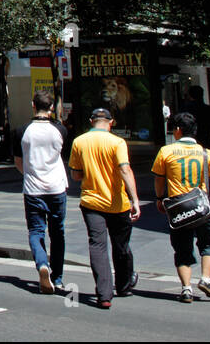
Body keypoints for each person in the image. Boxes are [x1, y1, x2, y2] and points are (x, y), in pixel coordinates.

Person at [69, 107, 142, 309]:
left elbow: (75, 175)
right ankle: (124, 285)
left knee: (98, 246)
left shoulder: (79, 142)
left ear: (91, 121)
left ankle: (104, 294)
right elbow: (125, 170)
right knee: (121, 246)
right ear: (111, 122)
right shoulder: (117, 142)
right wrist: (135, 199)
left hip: (91, 202)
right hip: (117, 203)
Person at [152, 111, 210, 303]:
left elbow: (159, 179)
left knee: (182, 250)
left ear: (177, 130)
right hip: (202, 207)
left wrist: (160, 199)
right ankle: (206, 279)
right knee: (208, 244)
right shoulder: (205, 152)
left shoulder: (166, 152)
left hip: (178, 208)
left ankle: (186, 288)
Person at [14, 91, 68, 294]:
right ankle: (58, 277)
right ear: (52, 107)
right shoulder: (60, 130)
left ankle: (42, 264)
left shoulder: (22, 131)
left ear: (33, 105)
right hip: (57, 188)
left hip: (33, 190)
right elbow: (64, 156)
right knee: (58, 232)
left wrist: (29, 173)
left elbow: (18, 162)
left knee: (36, 232)